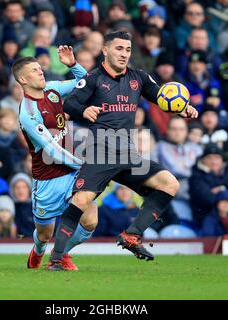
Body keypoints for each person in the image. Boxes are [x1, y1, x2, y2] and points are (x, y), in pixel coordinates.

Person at [48, 31, 198, 270]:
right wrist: (84, 112)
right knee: (81, 200)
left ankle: (132, 235)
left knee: (169, 183)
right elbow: (70, 103)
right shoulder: (94, 79)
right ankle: (56, 259)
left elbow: (162, 98)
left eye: (127, 50)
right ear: (105, 50)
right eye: (119, 49)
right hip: (100, 150)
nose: (124, 54)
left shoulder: (138, 77)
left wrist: (184, 108)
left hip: (128, 154)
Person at [13, 46, 98, 270]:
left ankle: (61, 253)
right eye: (34, 70)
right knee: (45, 233)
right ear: (23, 79)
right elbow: (51, 150)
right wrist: (83, 163)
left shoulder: (52, 89)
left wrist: (73, 65)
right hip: (48, 178)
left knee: (90, 220)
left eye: (40, 68)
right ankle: (39, 249)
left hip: (72, 171)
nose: (41, 72)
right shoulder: (28, 113)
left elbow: (88, 83)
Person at [9, 172, 34, 238]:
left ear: (29, 189)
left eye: (24, 187)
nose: (21, 191)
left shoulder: (37, 208)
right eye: (17, 187)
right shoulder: (9, 208)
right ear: (12, 190)